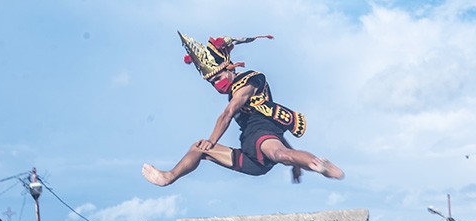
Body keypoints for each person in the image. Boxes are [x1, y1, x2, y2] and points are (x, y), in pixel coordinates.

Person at [142, 32, 344, 186]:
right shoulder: (233, 92)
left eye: (218, 78)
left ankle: (320, 165)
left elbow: (229, 113)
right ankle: (168, 177)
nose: (217, 85)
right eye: (212, 82)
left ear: (229, 68)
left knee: (280, 155)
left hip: (262, 134)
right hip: (250, 154)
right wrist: (296, 162)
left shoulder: (250, 80)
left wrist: (212, 140)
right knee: (198, 148)